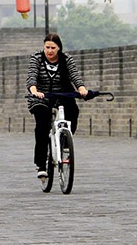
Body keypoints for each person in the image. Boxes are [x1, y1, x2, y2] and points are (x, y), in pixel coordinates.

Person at [26, 33, 88, 179]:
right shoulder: (37, 58)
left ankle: (65, 141)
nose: (49, 51)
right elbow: (31, 77)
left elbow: (75, 76)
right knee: (42, 124)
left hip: (62, 95)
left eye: (53, 48)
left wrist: (81, 88)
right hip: (41, 97)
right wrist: (35, 91)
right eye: (47, 47)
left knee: (73, 110)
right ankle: (41, 164)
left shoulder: (66, 59)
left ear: (59, 48)